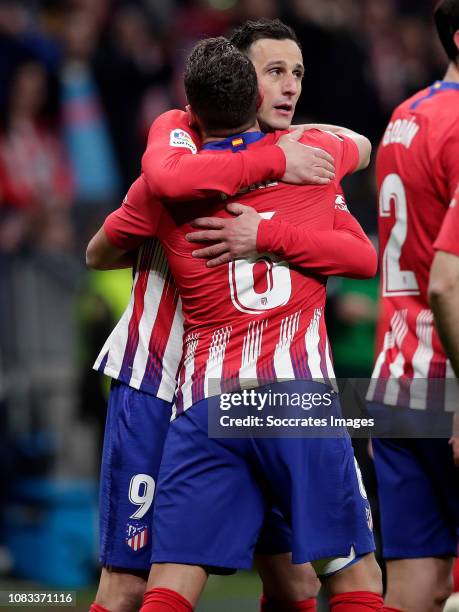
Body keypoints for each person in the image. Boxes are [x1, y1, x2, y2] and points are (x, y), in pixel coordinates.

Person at [88, 37, 382, 612]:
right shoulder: (188, 151)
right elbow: (113, 239)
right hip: (157, 381)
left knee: (290, 580)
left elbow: (100, 248)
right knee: (128, 582)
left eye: (298, 71)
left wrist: (271, 214)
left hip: (208, 396)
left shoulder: (306, 156)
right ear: (244, 82)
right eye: (275, 71)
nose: (291, 86)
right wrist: (282, 159)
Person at [366, 1, 459, 610]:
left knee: (409, 587)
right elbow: (447, 283)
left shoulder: (405, 116)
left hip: (395, 380)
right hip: (449, 379)